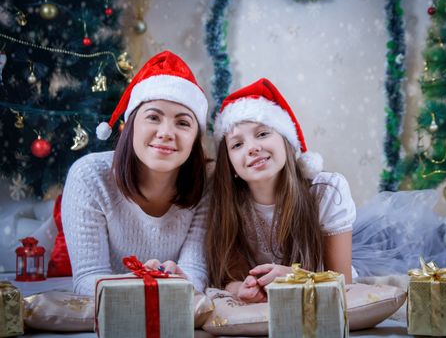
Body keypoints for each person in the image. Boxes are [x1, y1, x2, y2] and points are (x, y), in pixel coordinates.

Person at [62, 51, 209, 295]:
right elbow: (87, 278)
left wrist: (182, 279)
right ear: (131, 126)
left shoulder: (207, 183)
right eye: (153, 117)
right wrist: (143, 283)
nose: (165, 132)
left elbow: (195, 271)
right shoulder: (89, 177)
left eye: (183, 123)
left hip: (176, 310)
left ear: (195, 139)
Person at [205, 78, 356, 303]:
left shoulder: (326, 192)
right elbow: (229, 277)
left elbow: (344, 284)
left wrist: (297, 277)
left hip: (321, 290)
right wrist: (242, 288)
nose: (253, 148)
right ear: (231, 166)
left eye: (263, 134)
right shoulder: (228, 204)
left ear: (286, 142)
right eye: (237, 145)